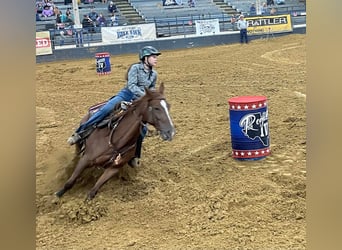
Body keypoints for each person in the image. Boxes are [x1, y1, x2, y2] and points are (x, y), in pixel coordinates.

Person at [67, 46, 162, 167]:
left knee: (142, 129)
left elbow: (152, 88)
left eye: (156, 57)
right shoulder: (135, 68)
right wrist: (146, 95)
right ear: (145, 58)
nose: (156, 59)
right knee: (106, 109)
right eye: (153, 57)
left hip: (138, 100)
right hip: (126, 95)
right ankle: (79, 133)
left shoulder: (154, 74)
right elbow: (131, 86)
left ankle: (135, 155)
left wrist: (150, 97)